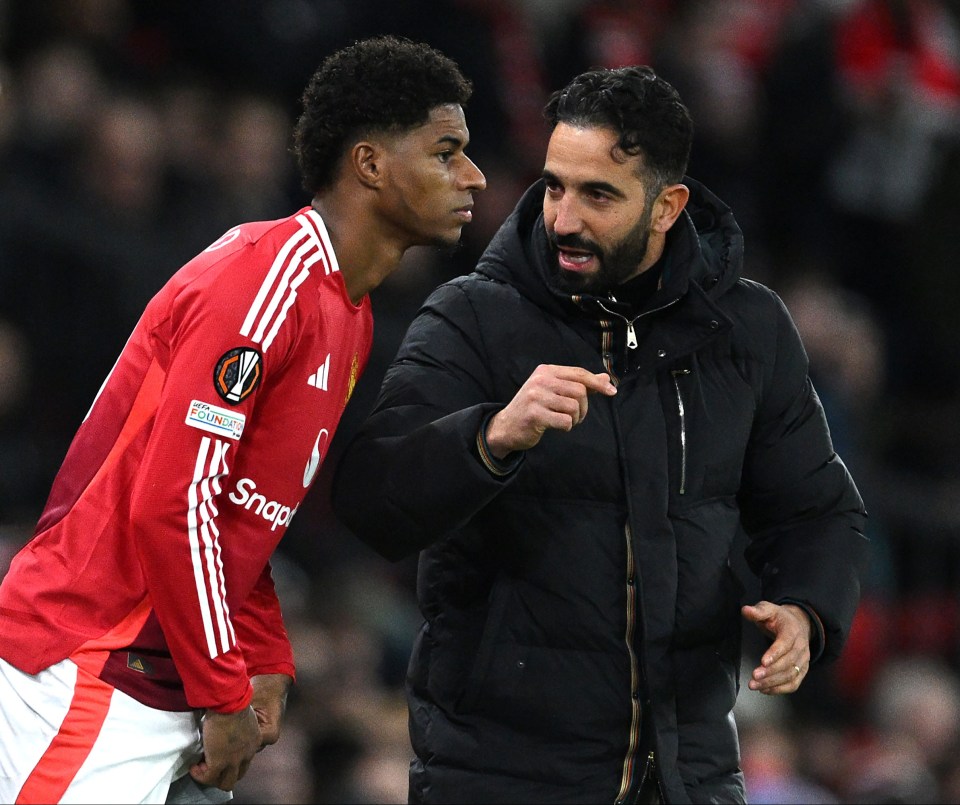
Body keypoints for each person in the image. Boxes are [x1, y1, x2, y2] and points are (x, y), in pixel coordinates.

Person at [330, 65, 869, 804]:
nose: (564, 218)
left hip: (688, 775)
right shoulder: (472, 318)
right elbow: (370, 498)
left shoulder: (747, 330)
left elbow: (817, 509)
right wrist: (490, 437)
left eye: (598, 195)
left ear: (667, 205)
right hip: (500, 776)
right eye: (554, 186)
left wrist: (807, 607)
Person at [0, 34, 485, 804]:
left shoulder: (347, 314)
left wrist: (266, 657)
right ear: (370, 164)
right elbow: (175, 505)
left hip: (163, 682)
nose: (473, 175)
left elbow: (242, 520)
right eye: (447, 150)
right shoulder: (267, 279)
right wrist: (225, 687)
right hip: (89, 663)